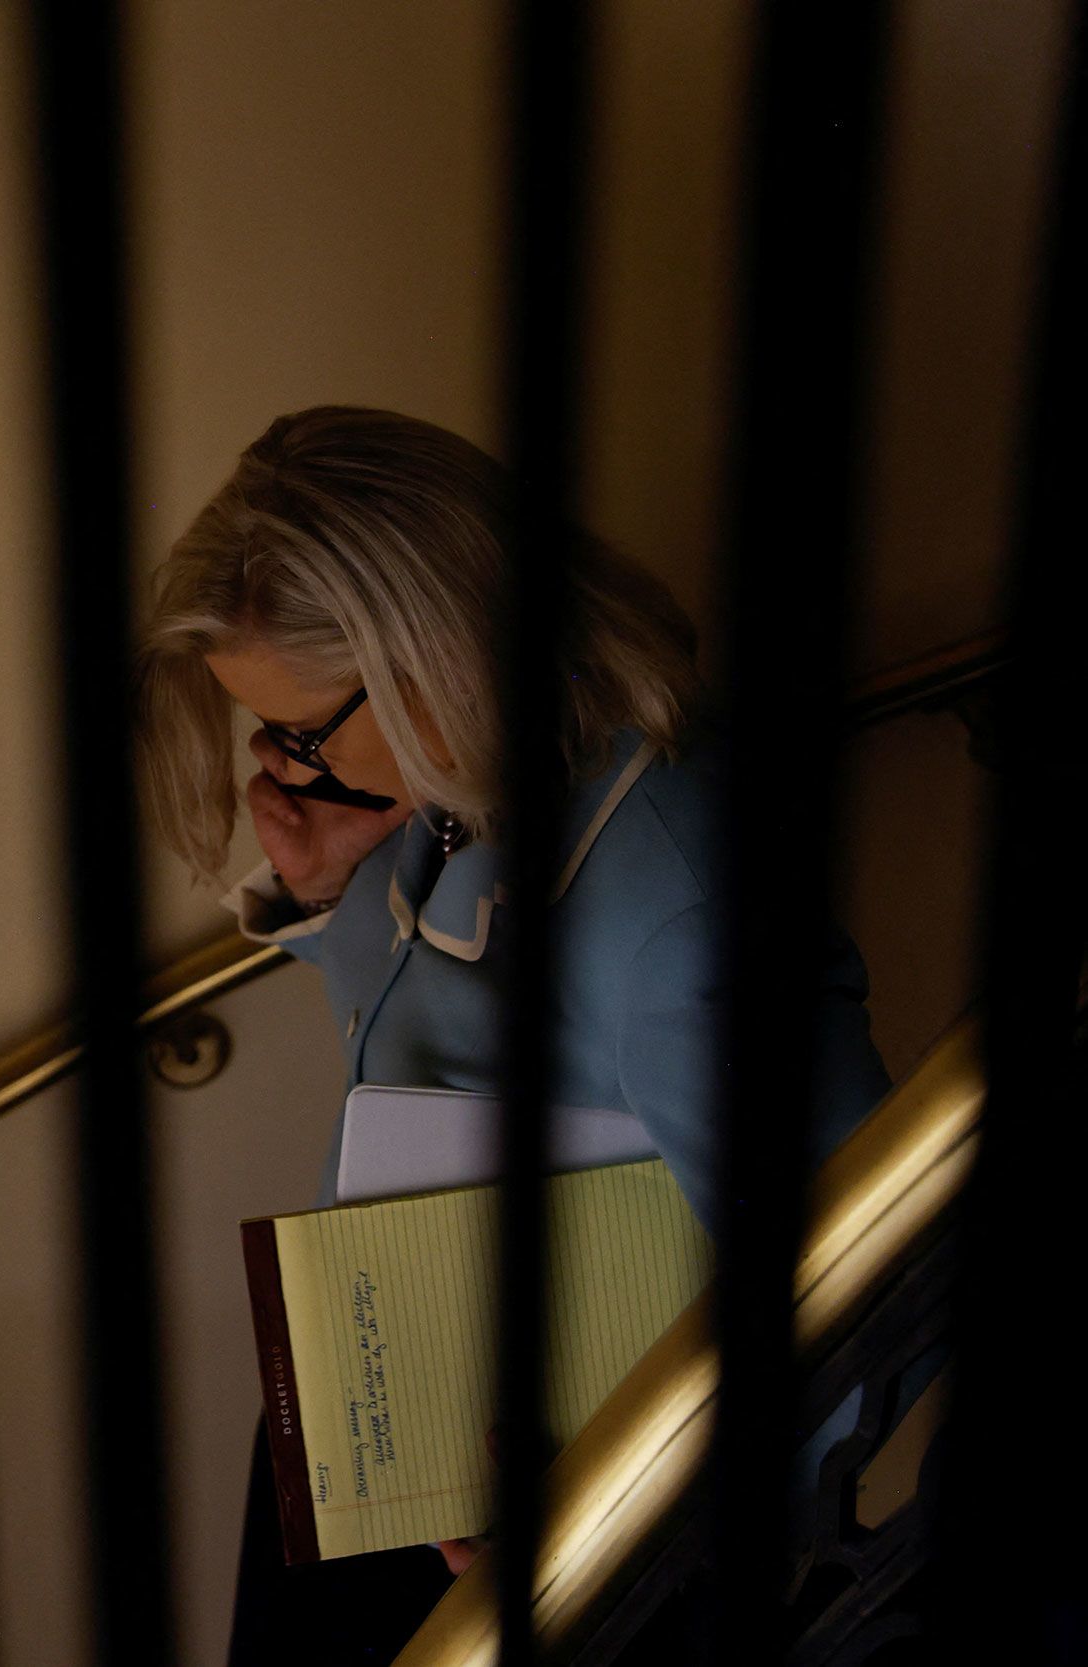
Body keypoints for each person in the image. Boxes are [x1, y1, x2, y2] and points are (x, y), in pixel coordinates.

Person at [135, 405, 894, 1602]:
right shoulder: (470, 777)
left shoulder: (677, 909)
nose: (281, 766)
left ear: (430, 655)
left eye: (300, 727)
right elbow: (419, 1042)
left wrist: (613, 1524)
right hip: (397, 1403)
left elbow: (861, 1281)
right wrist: (332, 889)